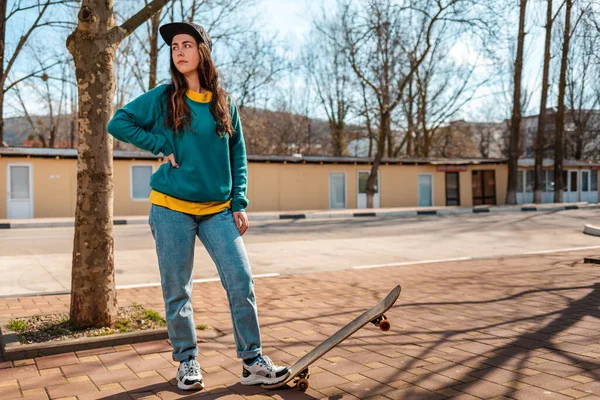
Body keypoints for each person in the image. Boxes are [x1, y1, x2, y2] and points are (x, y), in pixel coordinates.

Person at [106, 22, 289, 391]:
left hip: (218, 210)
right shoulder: (163, 97)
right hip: (171, 207)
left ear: (202, 51)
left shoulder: (224, 102)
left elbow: (237, 153)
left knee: (241, 280)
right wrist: (159, 142)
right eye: (175, 47)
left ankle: (252, 360)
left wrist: (239, 201)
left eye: (187, 44)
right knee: (178, 289)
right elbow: (118, 122)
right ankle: (187, 360)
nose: (179, 52)